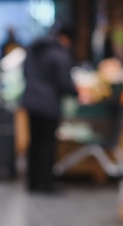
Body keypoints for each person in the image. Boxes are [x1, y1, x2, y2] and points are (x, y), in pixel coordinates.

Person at [21, 24, 83, 193]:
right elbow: (64, 82)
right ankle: (46, 184)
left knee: (34, 144)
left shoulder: (34, 49)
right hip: (48, 104)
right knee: (47, 145)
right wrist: (77, 93)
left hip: (31, 101)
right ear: (66, 38)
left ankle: (33, 183)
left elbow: (25, 73)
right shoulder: (59, 54)